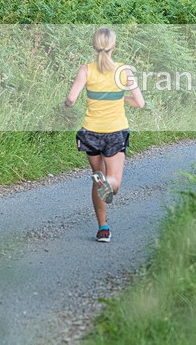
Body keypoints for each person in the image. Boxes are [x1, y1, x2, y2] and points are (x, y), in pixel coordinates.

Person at [65, 27, 145, 243]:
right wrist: (122, 99)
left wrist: (67, 103)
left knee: (97, 177)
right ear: (113, 46)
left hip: (90, 132)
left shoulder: (86, 69)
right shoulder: (124, 71)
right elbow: (140, 102)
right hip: (115, 131)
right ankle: (107, 183)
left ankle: (103, 228)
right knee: (113, 182)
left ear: (94, 45)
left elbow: (72, 98)